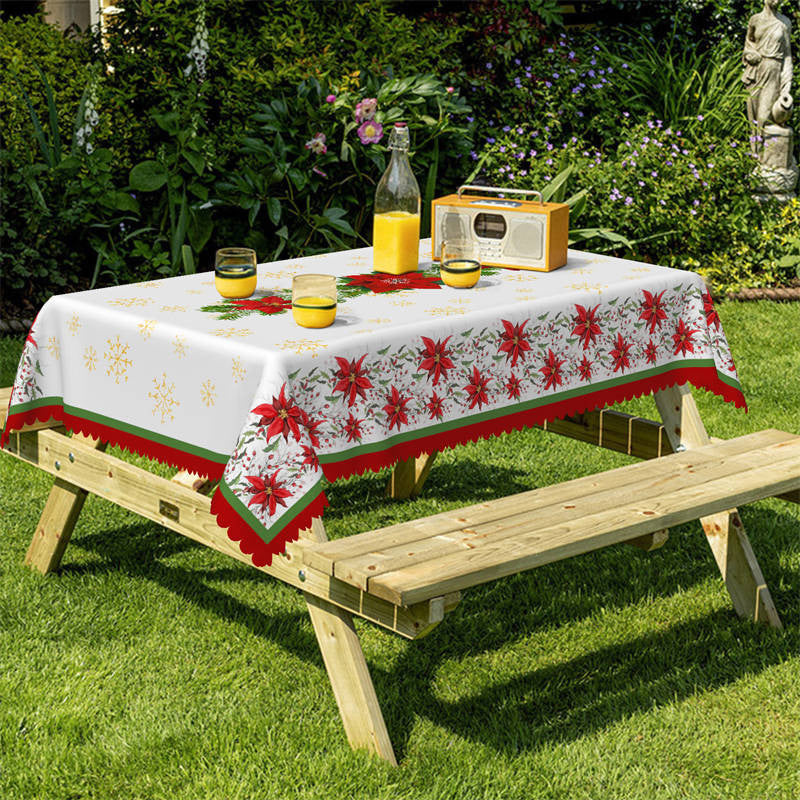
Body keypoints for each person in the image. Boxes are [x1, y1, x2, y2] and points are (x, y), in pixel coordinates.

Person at [742, 0, 793, 135]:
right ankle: (755, 154)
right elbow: (748, 44)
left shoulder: (784, 23)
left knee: (763, 117)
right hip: (755, 71)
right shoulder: (755, 20)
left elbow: (787, 56)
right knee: (752, 118)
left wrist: (786, 86)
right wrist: (750, 54)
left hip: (773, 72)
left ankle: (767, 152)